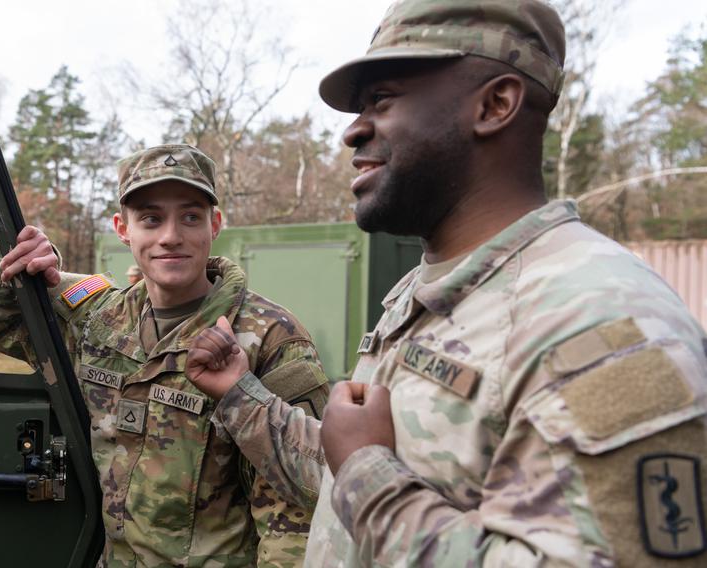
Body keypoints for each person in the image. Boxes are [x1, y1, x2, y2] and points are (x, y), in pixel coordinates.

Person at [184, 1, 707, 566]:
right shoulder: (424, 289)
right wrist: (240, 394)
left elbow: (363, 474)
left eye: (381, 100)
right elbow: (347, 476)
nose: (352, 131)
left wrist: (368, 476)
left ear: (495, 104)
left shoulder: (600, 317)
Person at [0, 144, 330, 566]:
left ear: (214, 225)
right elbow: (2, 325)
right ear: (123, 229)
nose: (171, 236)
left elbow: (297, 504)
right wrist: (13, 256)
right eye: (151, 218)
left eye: (191, 217)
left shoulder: (270, 337)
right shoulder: (101, 320)